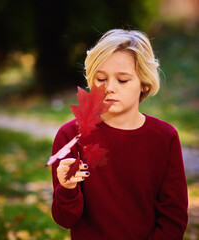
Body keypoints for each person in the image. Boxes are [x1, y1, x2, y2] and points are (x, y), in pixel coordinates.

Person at [51, 29, 188, 240]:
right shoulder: (70, 136)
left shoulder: (164, 138)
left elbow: (173, 218)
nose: (110, 88)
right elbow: (65, 219)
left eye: (122, 80)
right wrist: (67, 188)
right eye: (101, 79)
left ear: (144, 83)